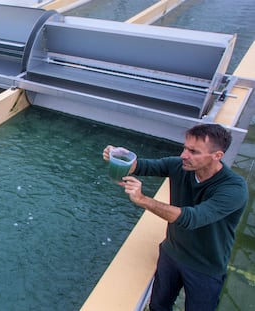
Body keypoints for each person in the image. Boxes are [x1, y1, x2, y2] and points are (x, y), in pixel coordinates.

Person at [103, 123, 248, 311]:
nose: (183, 155)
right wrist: (119, 156)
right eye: (185, 148)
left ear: (217, 156)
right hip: (171, 253)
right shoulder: (179, 166)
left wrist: (143, 200)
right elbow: (143, 166)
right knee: (157, 306)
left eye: (193, 151)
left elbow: (192, 218)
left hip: (204, 267)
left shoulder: (233, 189)